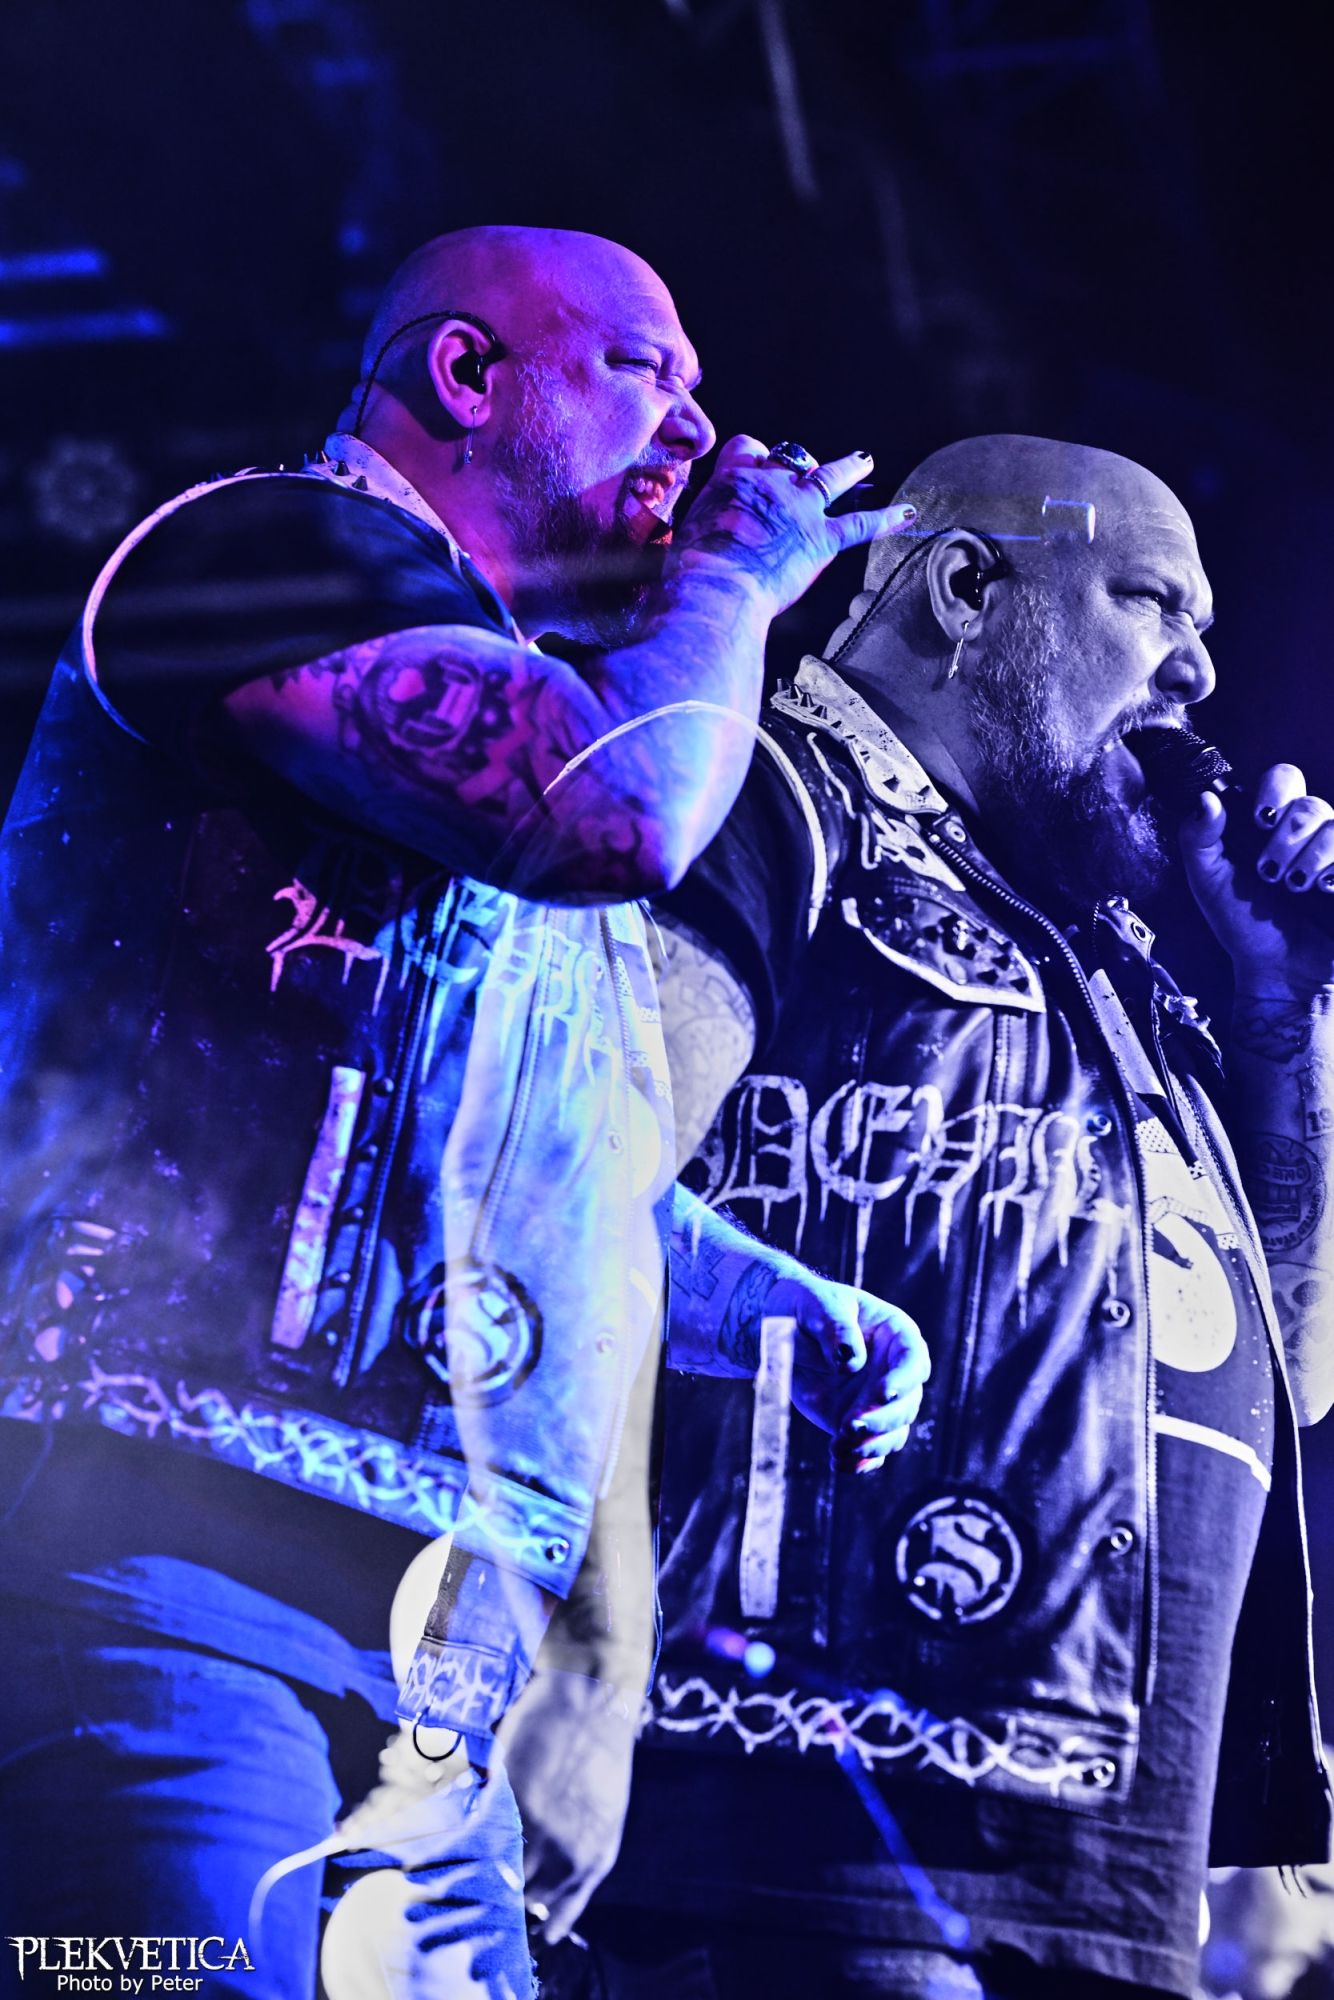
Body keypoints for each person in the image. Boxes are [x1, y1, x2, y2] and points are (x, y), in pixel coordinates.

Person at [0, 225, 926, 1997]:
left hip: (426, 1658)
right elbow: (615, 817)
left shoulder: (524, 684)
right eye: (644, 375)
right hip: (151, 1560)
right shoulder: (265, 549)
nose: (696, 434)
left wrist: (764, 1297)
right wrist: (734, 575)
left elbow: (516, 1151)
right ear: (466, 375)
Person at [568, 434, 1334, 2000]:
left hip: (1111, 1867)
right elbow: (574, 1188)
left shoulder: (1108, 962)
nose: (1197, 674)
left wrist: (1280, 1016)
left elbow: (1293, 1368)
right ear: (966, 589)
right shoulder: (758, 797)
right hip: (809, 1840)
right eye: (1151, 604)